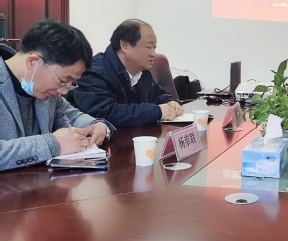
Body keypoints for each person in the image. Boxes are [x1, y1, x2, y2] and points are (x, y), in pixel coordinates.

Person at [0, 20, 113, 171]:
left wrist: (98, 126)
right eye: (63, 81)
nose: (64, 91)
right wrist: (53, 144)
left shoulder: (47, 91)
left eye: (71, 83)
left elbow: (73, 117)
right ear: (33, 62)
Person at [67, 19, 183, 128]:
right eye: (149, 47)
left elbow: (158, 94)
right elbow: (105, 113)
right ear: (124, 45)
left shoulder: (142, 72)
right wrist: (156, 111)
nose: (154, 53)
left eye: (154, 47)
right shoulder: (94, 73)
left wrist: (171, 102)